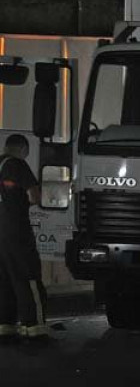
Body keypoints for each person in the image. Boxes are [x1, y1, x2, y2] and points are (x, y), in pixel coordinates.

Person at [0, 134, 48, 341]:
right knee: (28, 275)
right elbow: (34, 195)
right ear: (23, 149)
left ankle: (5, 325)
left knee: (5, 278)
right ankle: (34, 326)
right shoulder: (17, 165)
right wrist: (24, 204)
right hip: (16, 229)